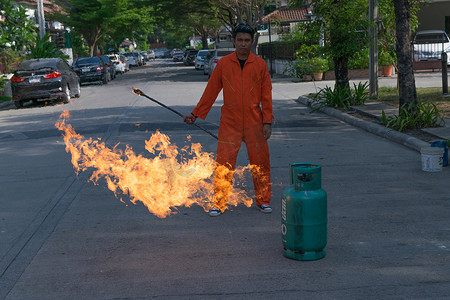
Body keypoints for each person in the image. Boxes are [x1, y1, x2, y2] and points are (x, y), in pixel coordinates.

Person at [184, 24, 273, 217]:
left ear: (251, 42)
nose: (243, 44)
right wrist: (195, 114)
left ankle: (263, 200)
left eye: (246, 40)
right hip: (229, 122)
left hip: (255, 122)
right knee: (224, 164)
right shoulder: (224, 64)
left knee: (261, 163)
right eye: (239, 40)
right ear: (233, 41)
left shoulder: (260, 65)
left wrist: (267, 122)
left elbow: (266, 96)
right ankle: (219, 202)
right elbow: (211, 91)